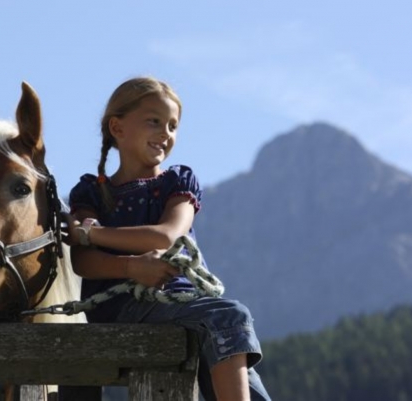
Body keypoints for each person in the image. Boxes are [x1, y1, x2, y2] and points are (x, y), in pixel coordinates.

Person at [65, 76, 271, 401]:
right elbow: (82, 260)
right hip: (121, 308)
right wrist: (131, 268)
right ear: (117, 128)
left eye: (173, 126)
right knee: (228, 318)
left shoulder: (178, 182)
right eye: (154, 121)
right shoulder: (90, 192)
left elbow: (165, 236)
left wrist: (93, 233)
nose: (166, 134)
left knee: (225, 336)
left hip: (182, 305)